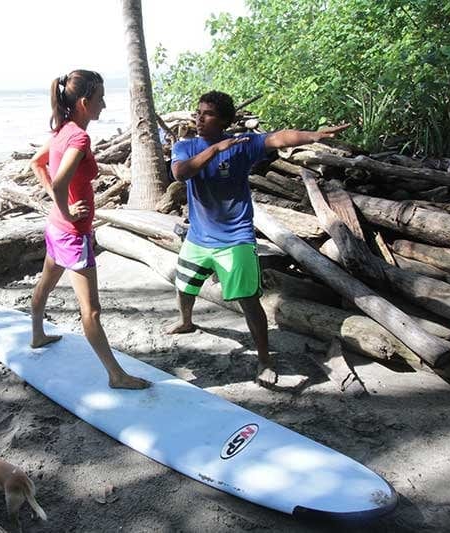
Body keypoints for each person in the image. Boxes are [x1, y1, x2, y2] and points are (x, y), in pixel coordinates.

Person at [166, 90, 349, 386]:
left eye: (208, 114)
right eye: (198, 112)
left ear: (224, 120)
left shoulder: (242, 145)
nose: (199, 118)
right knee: (184, 285)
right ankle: (186, 321)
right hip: (198, 236)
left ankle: (264, 360)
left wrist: (313, 135)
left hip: (235, 238)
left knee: (248, 300)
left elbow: (278, 137)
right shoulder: (186, 147)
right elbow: (180, 174)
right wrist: (213, 150)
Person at [29, 70, 149, 390]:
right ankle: (115, 374)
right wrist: (68, 212)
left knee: (46, 283)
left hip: (56, 229)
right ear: (84, 102)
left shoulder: (62, 130)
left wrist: (58, 209)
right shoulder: (79, 137)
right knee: (91, 310)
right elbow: (57, 181)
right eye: (101, 99)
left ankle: (38, 334)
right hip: (71, 233)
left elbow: (36, 163)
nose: (105, 105)